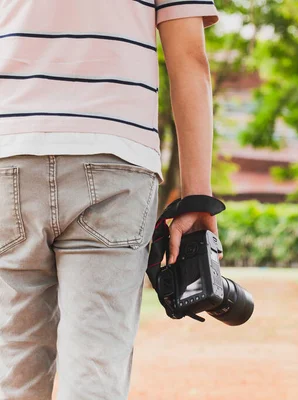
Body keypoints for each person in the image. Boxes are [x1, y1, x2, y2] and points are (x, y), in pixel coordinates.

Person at [0, 1, 219, 398]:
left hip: (9, 152)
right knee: (95, 373)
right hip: (115, 159)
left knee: (12, 370)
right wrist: (197, 198)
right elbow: (189, 58)